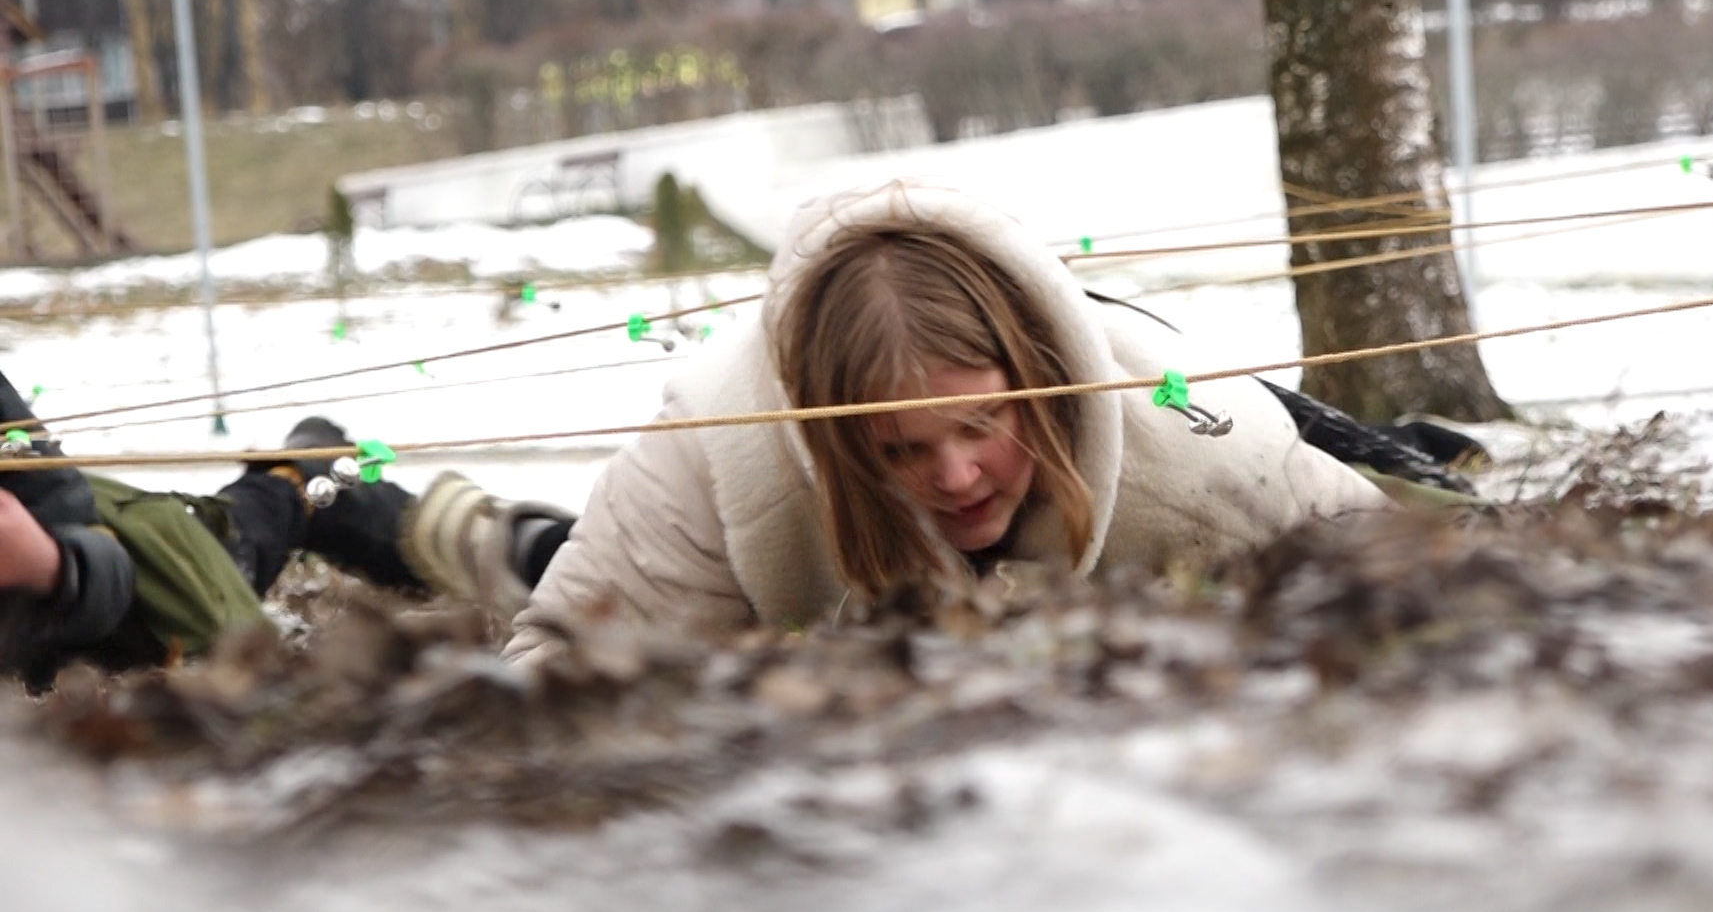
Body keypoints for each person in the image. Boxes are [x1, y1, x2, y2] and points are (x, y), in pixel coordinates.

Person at [399, 180, 1415, 670]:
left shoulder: (1198, 453)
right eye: (902, 451)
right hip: (710, 588)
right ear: (835, 442)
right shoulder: (714, 449)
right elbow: (551, 678)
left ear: (1038, 384)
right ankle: (418, 524)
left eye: (981, 426)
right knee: (546, 563)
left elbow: (1419, 588)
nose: (961, 475)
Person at [0, 371, 424, 688]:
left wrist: (51, 565)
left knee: (271, 510)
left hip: (162, 589)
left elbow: (98, 555)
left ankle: (308, 465)